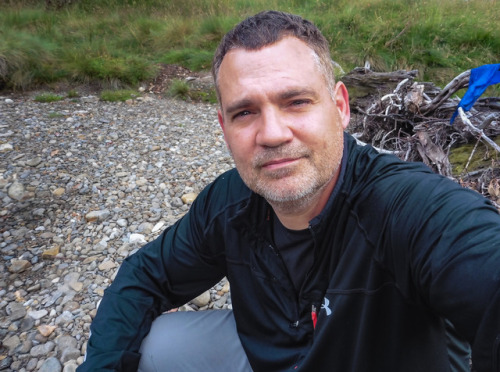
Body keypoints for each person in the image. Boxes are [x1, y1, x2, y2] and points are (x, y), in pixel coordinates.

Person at [77, 11, 500, 372]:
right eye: (245, 112)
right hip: (277, 356)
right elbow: (144, 276)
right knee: (157, 342)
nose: (272, 134)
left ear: (340, 107)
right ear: (224, 128)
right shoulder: (228, 204)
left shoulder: (403, 205)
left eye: (296, 101)